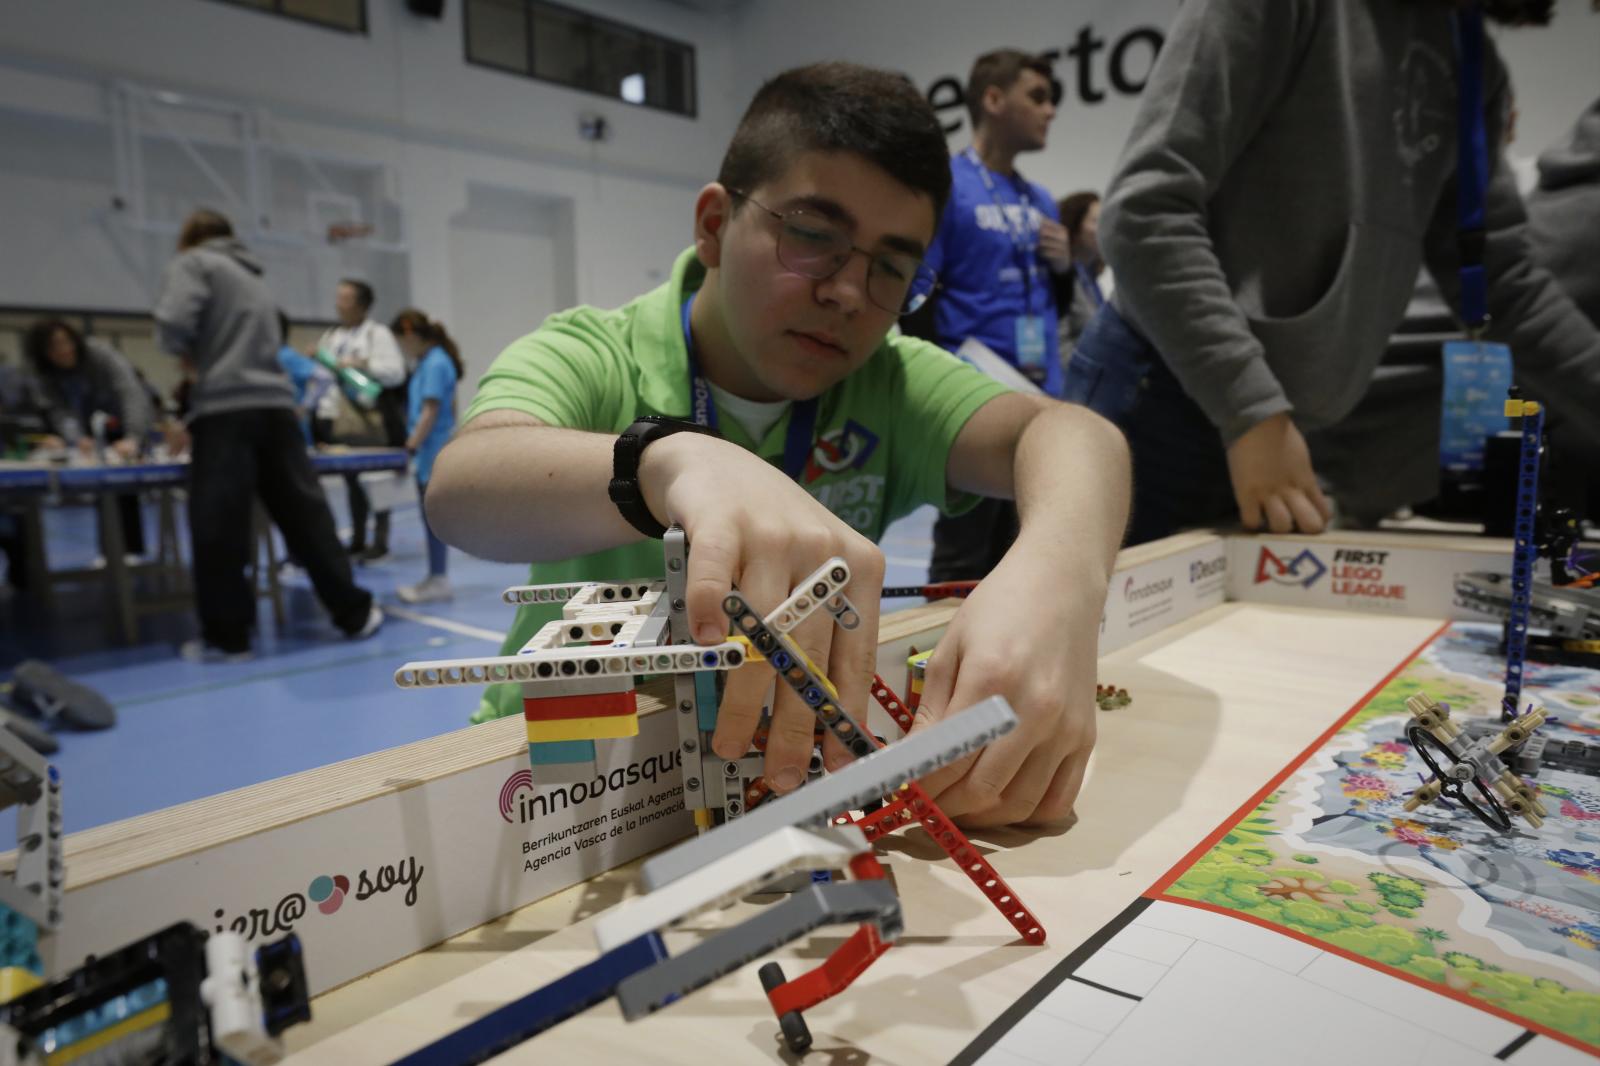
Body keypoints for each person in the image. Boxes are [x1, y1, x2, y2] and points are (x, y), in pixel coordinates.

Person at [423, 63, 1131, 829]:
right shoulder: (597, 353)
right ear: (715, 225)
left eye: (892, 267)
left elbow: (1072, 433)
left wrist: (1062, 575)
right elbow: (463, 486)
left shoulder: (888, 381)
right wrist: (668, 459)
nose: (849, 294)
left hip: (767, 779)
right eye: (814, 236)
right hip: (556, 794)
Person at [1063, 0, 1600, 547]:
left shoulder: (1469, 55)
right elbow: (1143, 213)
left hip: (1276, 427)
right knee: (1078, 621)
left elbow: (1504, 282)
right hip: (1163, 398)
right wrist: (1251, 411)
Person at [153, 208, 382, 661]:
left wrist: (186, 353)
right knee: (307, 518)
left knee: (220, 525)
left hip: (226, 407)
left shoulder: (194, 264)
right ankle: (354, 614)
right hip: (275, 409)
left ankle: (228, 637)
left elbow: (172, 324)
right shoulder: (253, 276)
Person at [918, 50, 1076, 584]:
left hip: (1041, 393)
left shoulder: (1043, 200)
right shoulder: (948, 187)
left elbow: (1059, 303)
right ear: (992, 99)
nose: (1050, 111)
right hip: (974, 397)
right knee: (964, 554)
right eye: (1038, 96)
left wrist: (1064, 268)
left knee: (1028, 552)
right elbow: (919, 294)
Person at [23, 319, 154, 558]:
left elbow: (129, 392)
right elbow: (59, 411)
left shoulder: (100, 355)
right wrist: (77, 438)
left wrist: (133, 436)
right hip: (89, 434)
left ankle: (133, 551)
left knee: (125, 488)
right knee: (101, 492)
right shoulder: (46, 376)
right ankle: (111, 553)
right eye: (53, 347)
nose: (63, 350)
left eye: (65, 342)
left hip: (122, 427)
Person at [315, 279, 406, 563]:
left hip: (370, 420)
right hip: (340, 420)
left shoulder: (377, 335)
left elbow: (395, 373)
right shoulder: (332, 336)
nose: (338, 304)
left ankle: (380, 541)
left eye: (345, 299)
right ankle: (356, 539)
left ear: (362, 305)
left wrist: (361, 364)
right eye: (338, 298)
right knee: (351, 481)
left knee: (375, 480)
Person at [389, 309, 460, 604]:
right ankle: (435, 576)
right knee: (428, 517)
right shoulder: (430, 362)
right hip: (431, 451)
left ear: (410, 335)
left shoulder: (435, 363)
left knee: (432, 520)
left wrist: (410, 446)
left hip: (432, 452)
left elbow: (430, 411)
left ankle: (439, 579)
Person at [1054, 191, 1108, 354]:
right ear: (1075, 225)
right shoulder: (1062, 277)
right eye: (1095, 221)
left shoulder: (1091, 278)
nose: (1104, 228)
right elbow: (1061, 342)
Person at [276, 310, 335, 445]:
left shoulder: (285, 356)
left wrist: (305, 407)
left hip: (293, 436)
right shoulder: (270, 356)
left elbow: (324, 377)